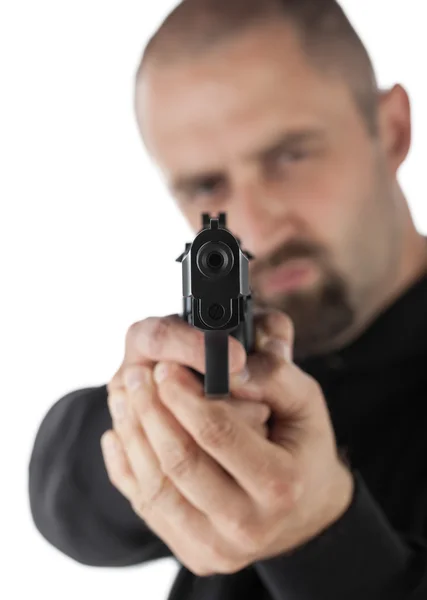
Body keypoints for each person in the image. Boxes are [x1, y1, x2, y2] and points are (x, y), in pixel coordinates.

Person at [28, 0, 427, 598]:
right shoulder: (226, 358)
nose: (256, 229)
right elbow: (65, 497)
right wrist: (153, 423)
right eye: (207, 186)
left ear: (391, 129)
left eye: (290, 156)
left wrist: (321, 537)